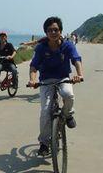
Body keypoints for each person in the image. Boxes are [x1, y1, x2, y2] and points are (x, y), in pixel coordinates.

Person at [27, 16, 84, 157]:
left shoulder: (68, 45)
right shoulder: (41, 47)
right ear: (46, 33)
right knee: (45, 110)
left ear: (60, 31)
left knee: (68, 95)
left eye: (56, 30)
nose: (53, 32)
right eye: (50, 30)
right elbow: (34, 66)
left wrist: (79, 75)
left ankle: (68, 115)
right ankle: (44, 143)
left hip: (63, 78)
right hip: (45, 80)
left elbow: (76, 60)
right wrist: (32, 80)